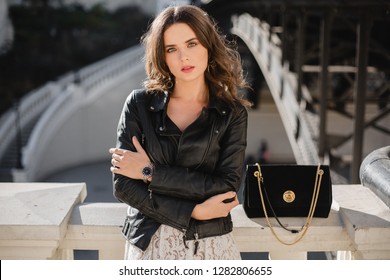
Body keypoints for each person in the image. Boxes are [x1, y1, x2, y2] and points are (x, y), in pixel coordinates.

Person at [109, 4, 251, 260]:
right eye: (171, 49)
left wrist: (150, 172)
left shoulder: (232, 114)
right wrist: (192, 212)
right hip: (149, 247)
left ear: (208, 45)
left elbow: (226, 188)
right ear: (162, 57)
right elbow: (123, 186)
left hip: (211, 247)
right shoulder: (139, 105)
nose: (183, 57)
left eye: (192, 44)